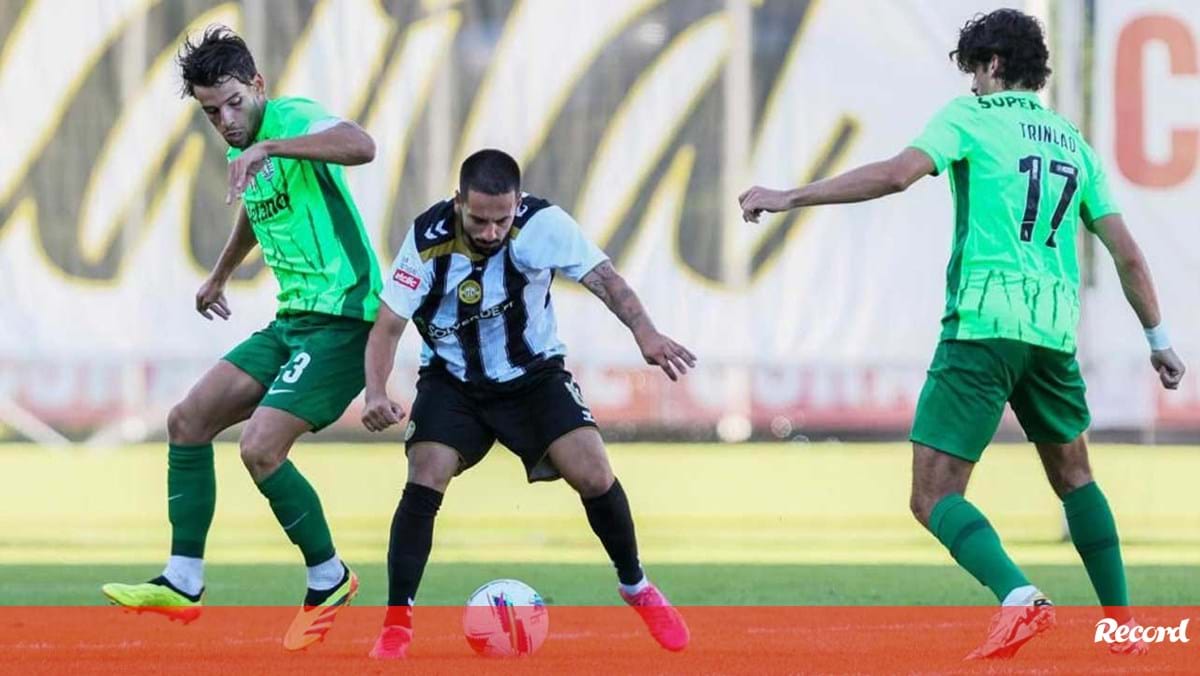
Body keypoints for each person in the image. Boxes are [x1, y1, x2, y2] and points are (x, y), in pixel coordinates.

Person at [737, 9, 1185, 660]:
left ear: (994, 65)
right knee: (1076, 477)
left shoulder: (970, 119)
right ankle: (1123, 627)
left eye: (974, 70)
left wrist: (790, 196)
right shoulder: (1072, 143)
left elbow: (896, 174)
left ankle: (1016, 595)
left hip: (984, 322)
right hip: (1055, 330)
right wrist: (1158, 340)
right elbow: (1128, 254)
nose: (970, 84)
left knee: (933, 495)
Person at [101, 26, 382, 651]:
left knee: (259, 449)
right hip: (292, 322)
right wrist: (221, 273)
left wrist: (272, 145)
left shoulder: (289, 117)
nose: (226, 121)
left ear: (256, 85)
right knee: (188, 420)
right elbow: (258, 213)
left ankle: (328, 576)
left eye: (233, 102)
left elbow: (362, 145)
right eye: (210, 112)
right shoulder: (245, 150)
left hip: (344, 320)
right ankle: (183, 580)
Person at [361, 148, 696, 659]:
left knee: (593, 471)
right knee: (425, 470)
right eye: (478, 219)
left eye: (502, 219)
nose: (491, 231)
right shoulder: (427, 239)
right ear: (458, 203)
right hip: (454, 381)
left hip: (534, 376)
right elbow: (388, 326)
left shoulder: (543, 224)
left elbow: (606, 280)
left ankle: (636, 586)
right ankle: (397, 621)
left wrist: (645, 334)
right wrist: (376, 392)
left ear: (517, 204)